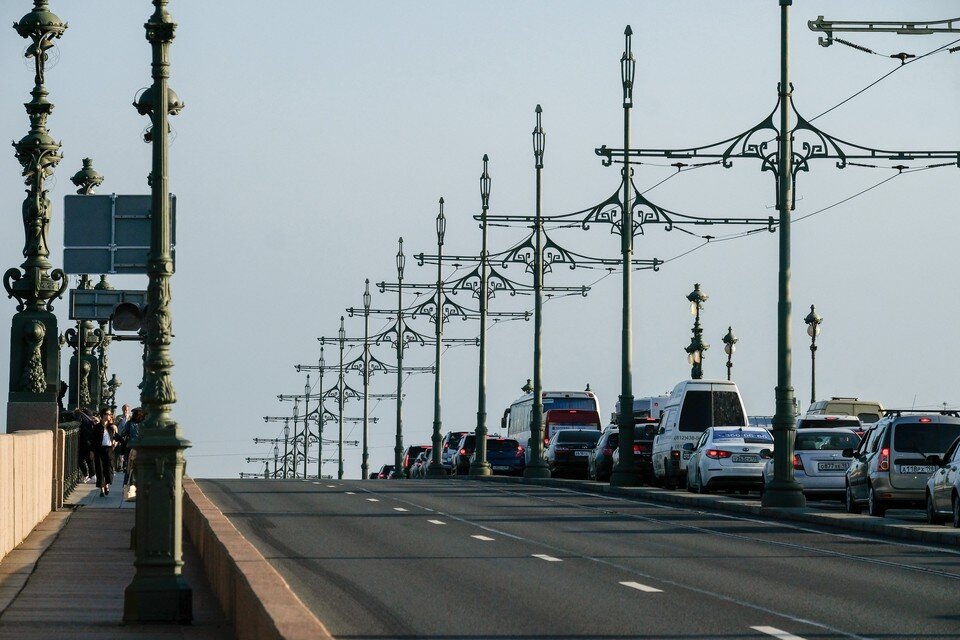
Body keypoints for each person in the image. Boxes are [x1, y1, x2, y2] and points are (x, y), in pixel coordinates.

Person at [93, 408, 117, 496]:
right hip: (99, 450)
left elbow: (116, 438)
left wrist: (115, 442)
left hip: (109, 450)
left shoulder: (112, 427)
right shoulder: (97, 427)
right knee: (100, 469)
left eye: (110, 414)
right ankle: (102, 490)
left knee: (109, 469)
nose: (109, 415)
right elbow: (93, 440)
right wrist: (92, 451)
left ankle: (106, 484)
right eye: (107, 414)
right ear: (103, 415)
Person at [122, 407, 144, 490]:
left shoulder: (129, 423)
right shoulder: (145, 424)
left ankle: (126, 486)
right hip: (142, 449)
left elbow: (123, 433)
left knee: (129, 468)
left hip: (131, 448)